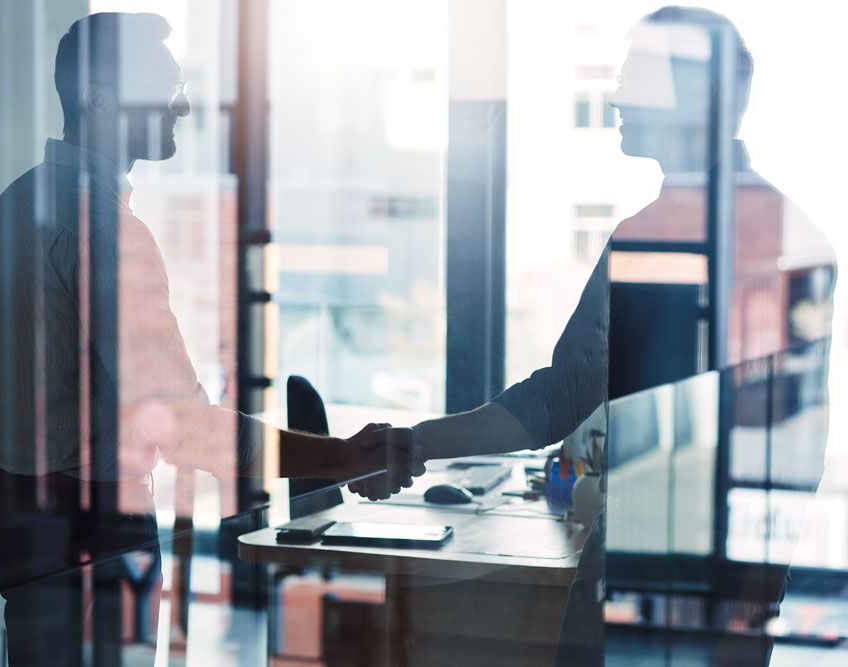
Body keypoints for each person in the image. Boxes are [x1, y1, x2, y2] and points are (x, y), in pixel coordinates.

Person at [352, 7, 835, 666]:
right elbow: (570, 395)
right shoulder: (773, 231)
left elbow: (781, 437)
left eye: (634, 75)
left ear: (691, 95)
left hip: (673, 584)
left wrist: (746, 602)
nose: (614, 96)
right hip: (689, 580)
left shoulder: (697, 238)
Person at [0, 12, 419, 665]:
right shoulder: (106, 231)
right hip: (89, 524)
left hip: (15, 511)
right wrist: (343, 457)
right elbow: (187, 427)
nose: (181, 105)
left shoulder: (3, 212)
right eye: (163, 87)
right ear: (98, 97)